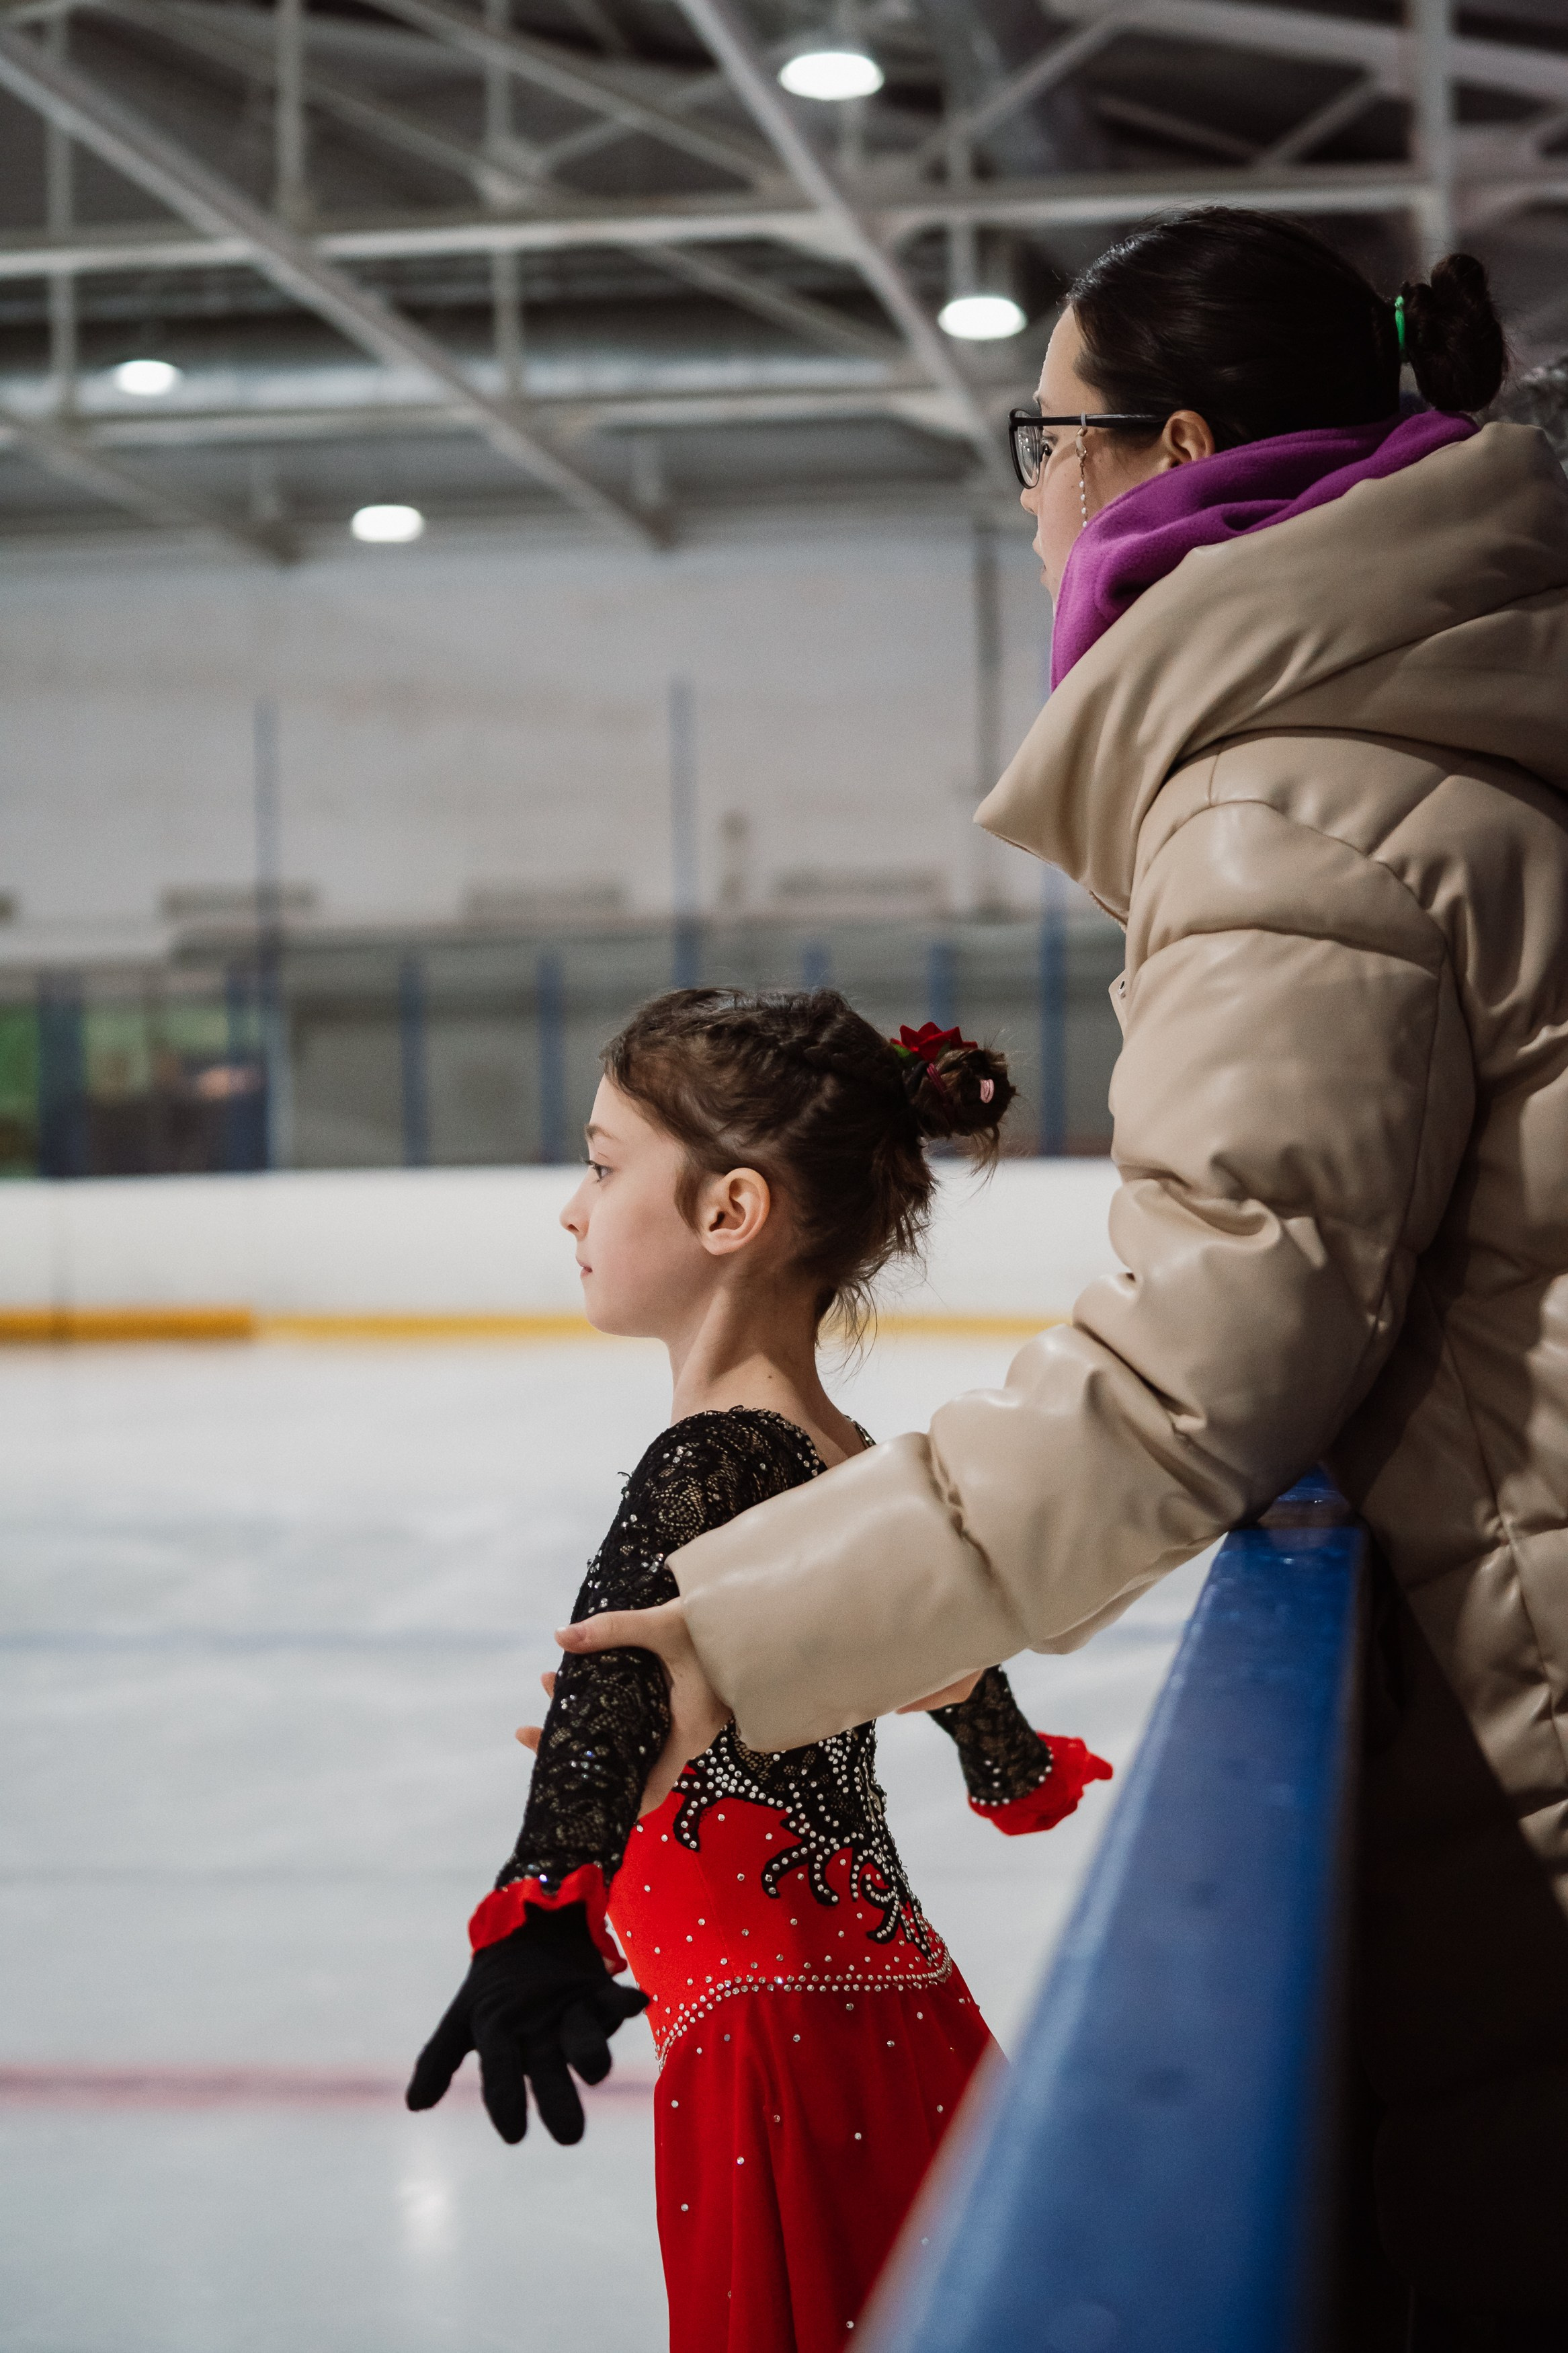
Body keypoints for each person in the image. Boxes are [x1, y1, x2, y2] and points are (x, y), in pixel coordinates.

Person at [561, 211, 1568, 2345]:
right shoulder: (1441, 719)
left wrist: (730, 1637)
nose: (1022, 491)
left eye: (1041, 434)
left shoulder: (1292, 797)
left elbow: (1209, 1344)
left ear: (1164, 454)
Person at [407, 988, 1112, 2353]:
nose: (573, 1209)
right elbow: (997, 1743)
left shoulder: (710, 1458)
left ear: (731, 1212)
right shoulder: (857, 1461)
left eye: (606, 1167)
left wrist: (546, 1903)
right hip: (907, 2018)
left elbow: (620, 1669)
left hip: (770, 2053)